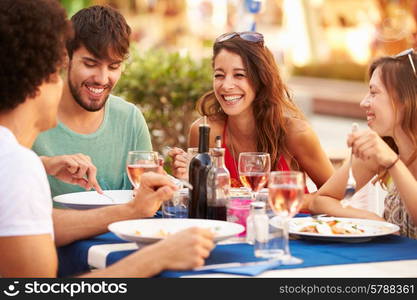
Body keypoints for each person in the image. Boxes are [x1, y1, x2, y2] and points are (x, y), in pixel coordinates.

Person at [0, 0, 214, 277]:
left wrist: (41, 164)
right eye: (54, 73)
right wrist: (157, 257)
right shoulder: (16, 165)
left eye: (113, 66)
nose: (102, 78)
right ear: (38, 83)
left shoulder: (17, 161)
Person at [169, 32, 334, 208]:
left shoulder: (296, 133)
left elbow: (335, 194)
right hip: (231, 233)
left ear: (261, 79)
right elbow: (201, 205)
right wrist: (188, 181)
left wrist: (277, 201)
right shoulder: (205, 131)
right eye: (219, 75)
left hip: (292, 231)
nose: (226, 85)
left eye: (239, 75)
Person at [32, 5, 152, 197]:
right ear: (65, 57)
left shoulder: (130, 119)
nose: (102, 79)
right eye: (90, 64)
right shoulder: (31, 113)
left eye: (113, 67)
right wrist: (44, 164)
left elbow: (146, 195)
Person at [309, 49, 417, 239]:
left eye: (374, 93)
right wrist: (371, 218)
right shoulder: (383, 148)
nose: (363, 102)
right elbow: (321, 201)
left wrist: (393, 162)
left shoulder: (387, 154)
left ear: (405, 100)